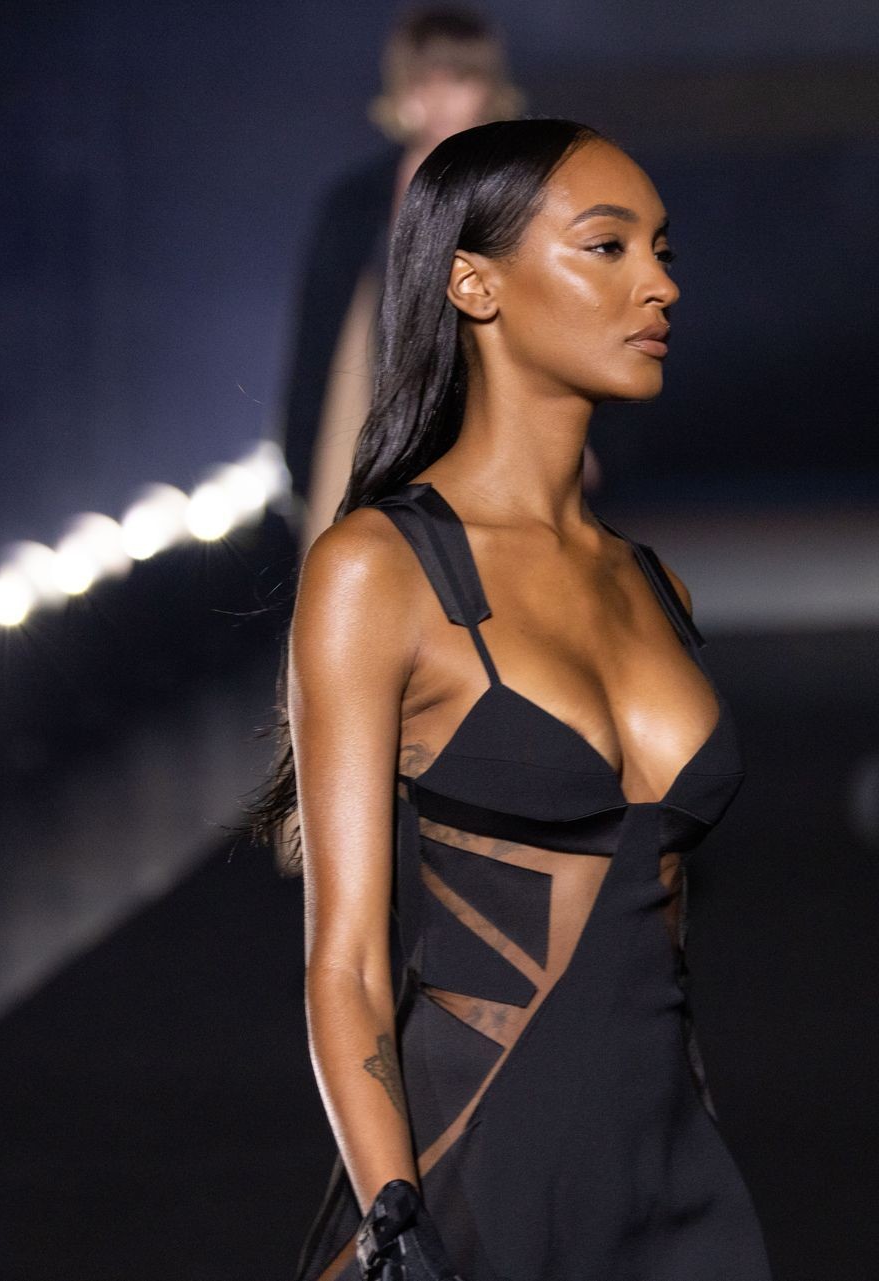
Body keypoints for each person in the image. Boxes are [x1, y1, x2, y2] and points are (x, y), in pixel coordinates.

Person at [247, 118, 773, 1281]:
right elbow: (347, 964)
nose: (660, 285)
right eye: (608, 247)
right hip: (470, 1189)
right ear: (474, 284)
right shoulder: (379, 571)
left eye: (663, 250)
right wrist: (394, 1222)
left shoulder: (653, 585)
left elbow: (662, 927)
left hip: (676, 1182)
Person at [273, 7, 547, 555]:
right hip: (368, 428)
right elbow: (315, 335)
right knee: (365, 583)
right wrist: (299, 454)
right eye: (424, 81)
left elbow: (555, 319)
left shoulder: (524, 193)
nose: (440, 99)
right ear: (401, 90)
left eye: (460, 79)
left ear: (489, 87)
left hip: (488, 430)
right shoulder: (355, 203)